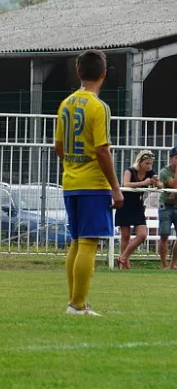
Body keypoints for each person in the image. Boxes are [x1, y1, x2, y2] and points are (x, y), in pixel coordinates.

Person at [54, 49, 124, 316]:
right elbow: (102, 150)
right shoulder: (99, 107)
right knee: (89, 242)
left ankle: (77, 302)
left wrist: (72, 165)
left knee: (76, 241)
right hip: (93, 184)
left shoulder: (66, 103)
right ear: (104, 74)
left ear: (78, 71)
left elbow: (58, 147)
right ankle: (77, 304)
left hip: (70, 181)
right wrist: (115, 188)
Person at [115, 150, 162, 269]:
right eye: (147, 163)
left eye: (150, 163)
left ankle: (123, 257)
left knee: (142, 235)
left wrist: (156, 182)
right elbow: (125, 184)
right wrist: (143, 183)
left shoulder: (150, 173)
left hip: (138, 206)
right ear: (140, 162)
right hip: (125, 205)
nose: (149, 166)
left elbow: (161, 185)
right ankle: (124, 265)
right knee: (125, 236)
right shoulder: (129, 171)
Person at [158, 147, 177, 270]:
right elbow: (174, 185)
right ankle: (164, 264)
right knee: (164, 236)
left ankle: (173, 263)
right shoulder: (165, 171)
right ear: (171, 158)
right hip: (166, 206)